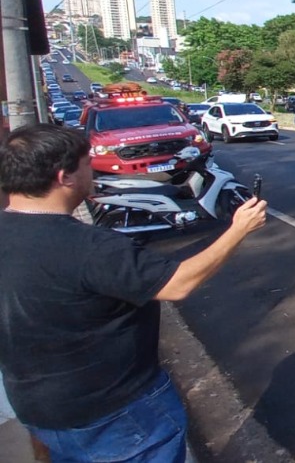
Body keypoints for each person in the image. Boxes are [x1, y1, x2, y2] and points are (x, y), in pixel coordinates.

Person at [0, 124, 268, 463]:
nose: (93, 173)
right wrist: (238, 229)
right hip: (118, 415)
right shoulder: (91, 248)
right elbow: (178, 283)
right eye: (87, 165)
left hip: (37, 409)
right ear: (64, 176)